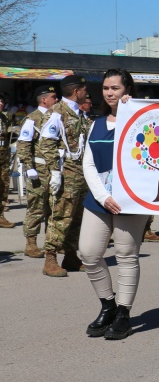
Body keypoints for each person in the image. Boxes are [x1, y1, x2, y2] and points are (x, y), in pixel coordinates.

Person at [80, 68, 151, 340]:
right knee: (88, 252)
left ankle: (124, 313)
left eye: (116, 88)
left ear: (127, 90)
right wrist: (103, 196)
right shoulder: (97, 123)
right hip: (100, 199)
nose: (110, 93)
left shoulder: (141, 121)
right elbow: (88, 163)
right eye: (107, 88)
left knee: (125, 255)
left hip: (131, 199)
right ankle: (107, 305)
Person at [39, 75, 92, 277]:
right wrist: (54, 170)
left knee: (77, 218)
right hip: (66, 174)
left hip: (81, 174)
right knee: (60, 216)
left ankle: (71, 256)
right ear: (76, 91)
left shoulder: (78, 113)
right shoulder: (58, 113)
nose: (87, 94)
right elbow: (46, 143)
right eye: (84, 90)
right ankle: (50, 259)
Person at [17, 86, 59, 255]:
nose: (56, 100)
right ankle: (31, 243)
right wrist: (29, 167)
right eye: (53, 97)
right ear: (44, 100)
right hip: (38, 170)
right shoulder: (32, 119)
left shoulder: (56, 117)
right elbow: (24, 145)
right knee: (36, 207)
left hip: (54, 169)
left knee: (53, 207)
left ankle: (53, 242)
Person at [0, 94, 13, 228]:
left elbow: (9, 135)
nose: (1, 103)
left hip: (3, 156)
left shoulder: (5, 117)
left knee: (3, 186)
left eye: (2, 101)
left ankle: (0, 215)